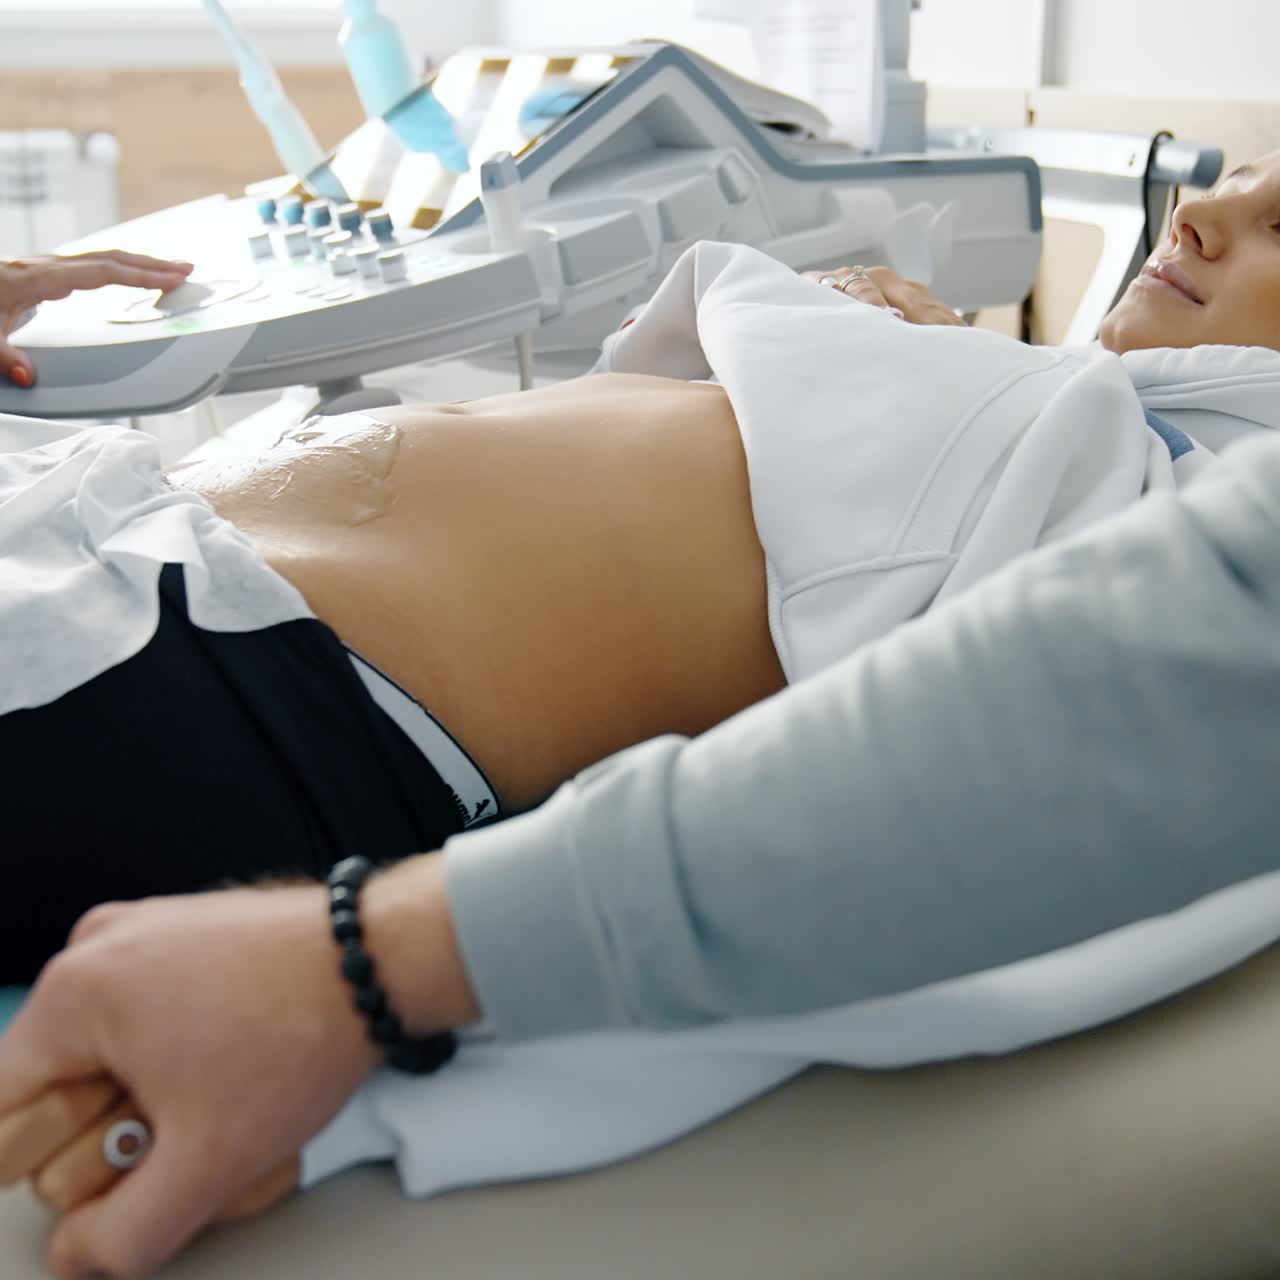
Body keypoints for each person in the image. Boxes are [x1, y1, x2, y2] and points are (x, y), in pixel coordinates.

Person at [2, 151, 1280, 1279]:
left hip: (242, 693)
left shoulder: (1170, 534)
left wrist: (373, 1010)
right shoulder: (1078, 404)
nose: (1197, 215)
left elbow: (985, 810)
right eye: (1237, 175)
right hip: (109, 542)